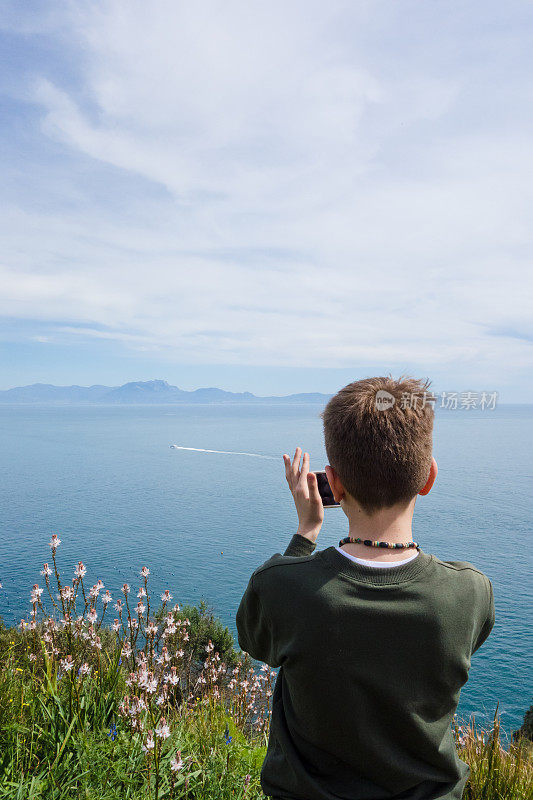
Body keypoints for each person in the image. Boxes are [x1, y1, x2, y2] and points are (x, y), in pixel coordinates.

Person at [236, 375, 495, 800]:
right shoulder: (470, 593)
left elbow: (253, 641)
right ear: (427, 478)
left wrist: (305, 532)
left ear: (333, 484)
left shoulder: (281, 587)